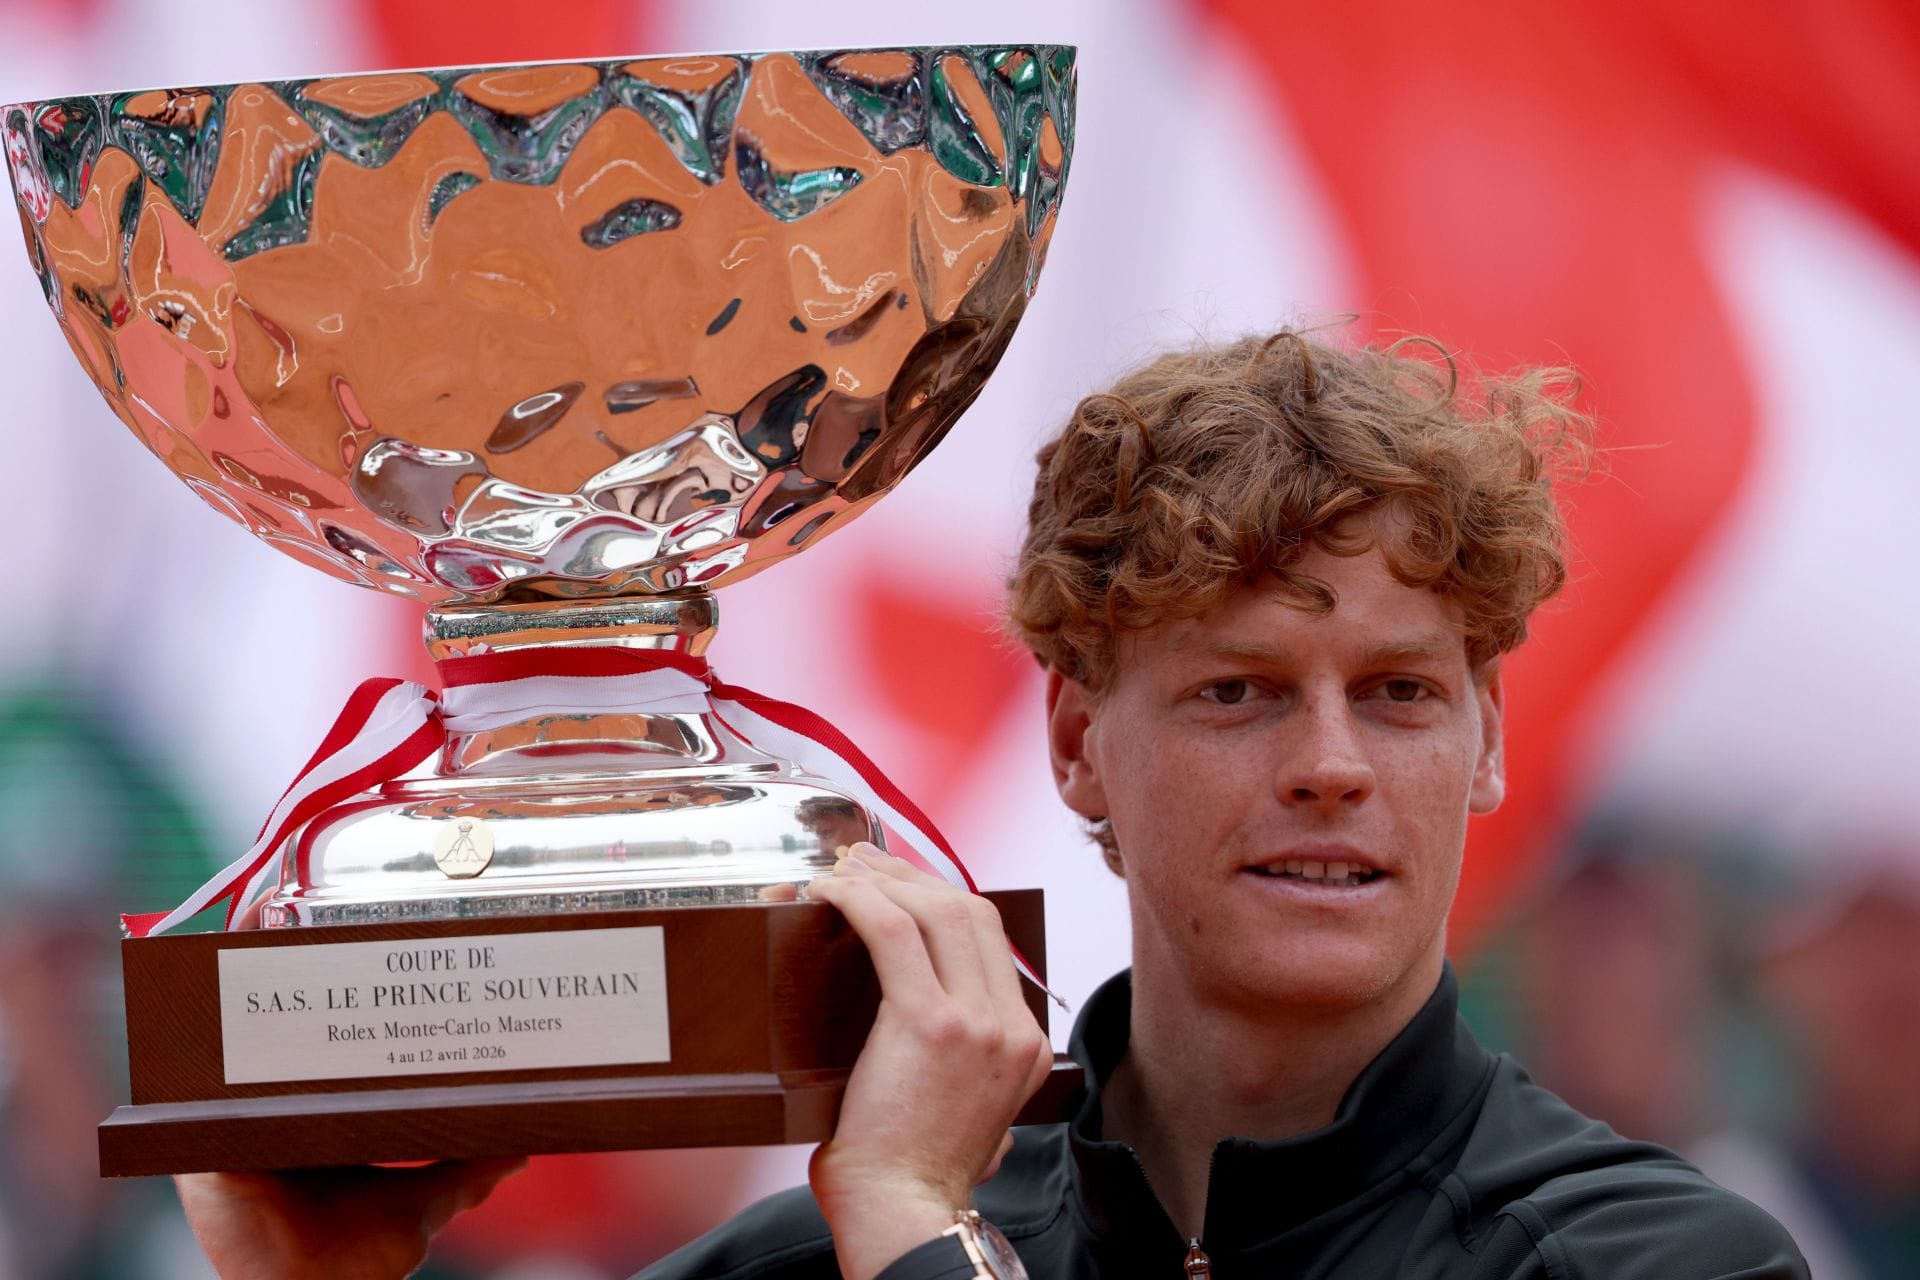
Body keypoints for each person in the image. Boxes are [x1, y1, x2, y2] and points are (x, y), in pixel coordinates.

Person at [178, 329, 1808, 1278]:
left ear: (1490, 741)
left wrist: (908, 1223)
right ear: (1079, 745)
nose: (1333, 763)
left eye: (1401, 693)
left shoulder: (1653, 1261)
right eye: (1237, 690)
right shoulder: (797, 1268)